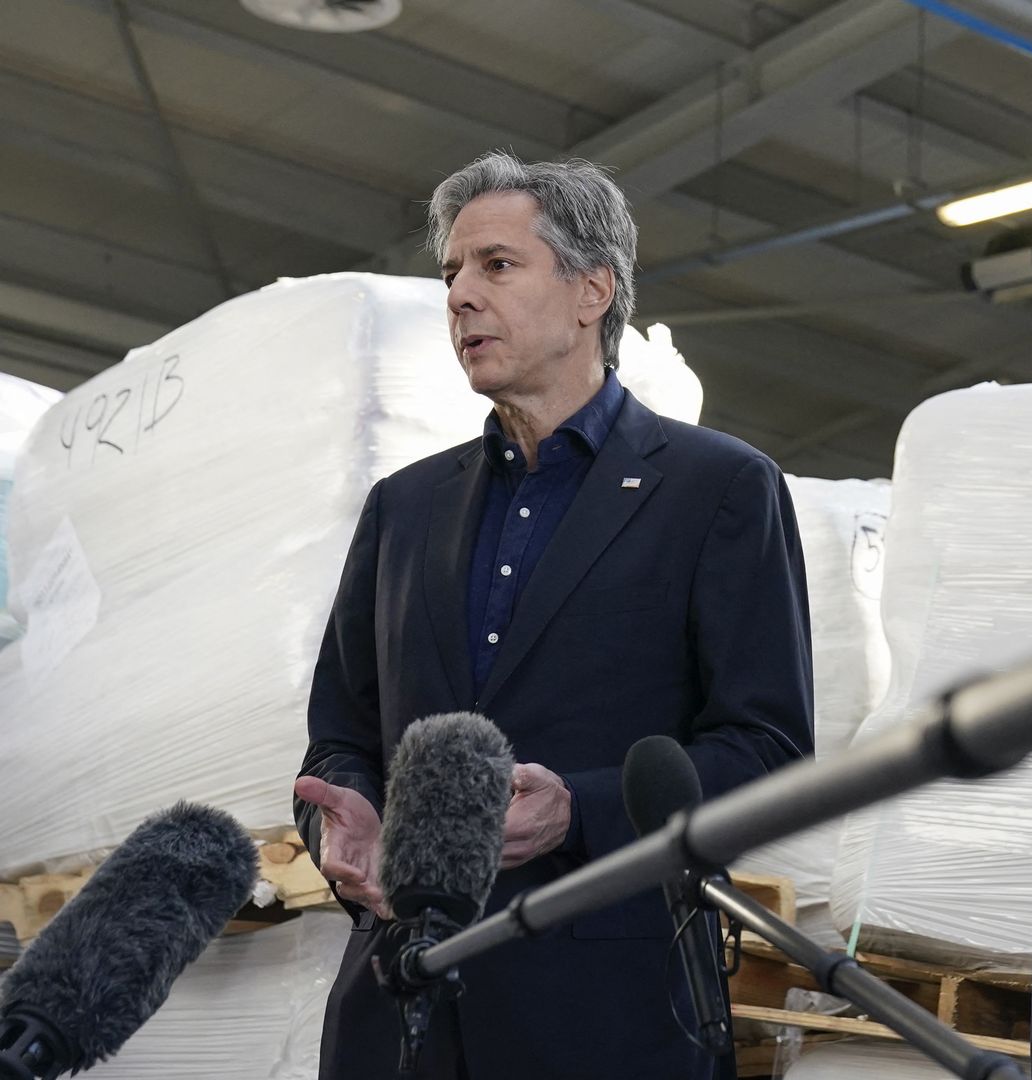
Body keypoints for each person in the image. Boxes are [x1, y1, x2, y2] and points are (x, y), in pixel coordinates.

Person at [291, 152, 813, 1080]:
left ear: (592, 292)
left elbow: (768, 750)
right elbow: (339, 738)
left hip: (611, 1014)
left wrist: (580, 810)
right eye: (450, 273)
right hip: (399, 1010)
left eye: (496, 265)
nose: (458, 296)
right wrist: (346, 821)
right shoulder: (402, 508)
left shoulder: (720, 488)